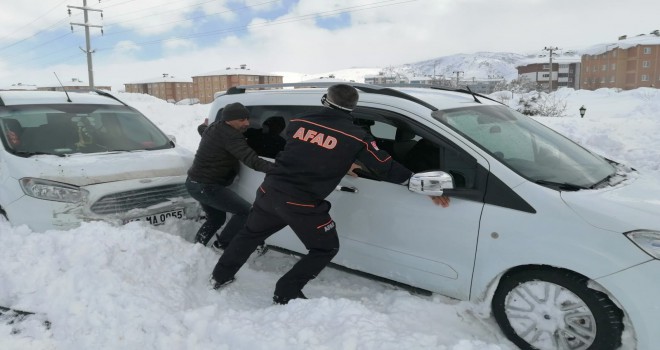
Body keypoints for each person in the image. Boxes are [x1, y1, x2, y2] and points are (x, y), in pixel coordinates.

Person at [208, 84, 450, 304]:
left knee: (249, 235)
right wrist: (422, 183)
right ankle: (286, 291)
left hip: (270, 191)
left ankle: (219, 276)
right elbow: (385, 166)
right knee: (324, 248)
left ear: (325, 100)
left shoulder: (299, 122)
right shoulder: (356, 136)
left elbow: (308, 151)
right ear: (353, 107)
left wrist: (343, 162)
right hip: (301, 203)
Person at [186, 102, 274, 252]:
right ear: (228, 120)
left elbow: (203, 129)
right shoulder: (231, 136)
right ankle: (221, 245)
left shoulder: (214, 128)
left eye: (247, 118)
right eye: (241, 120)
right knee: (246, 212)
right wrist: (280, 169)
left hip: (194, 184)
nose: (246, 123)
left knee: (216, 219)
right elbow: (252, 160)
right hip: (207, 186)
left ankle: (197, 249)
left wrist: (201, 126)